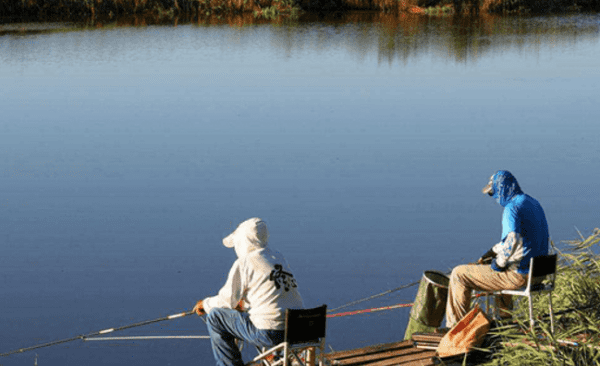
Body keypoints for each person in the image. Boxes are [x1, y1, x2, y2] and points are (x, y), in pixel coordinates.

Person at [193, 217, 304, 366]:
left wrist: (204, 304)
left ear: (243, 241)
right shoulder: (277, 257)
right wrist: (244, 305)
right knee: (259, 316)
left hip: (270, 333)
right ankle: (278, 356)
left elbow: (227, 301)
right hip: (299, 330)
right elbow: (270, 295)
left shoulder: (245, 262)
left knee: (215, 316)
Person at [445, 170, 549, 328]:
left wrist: (499, 263)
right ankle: (505, 323)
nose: (494, 198)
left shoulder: (511, 209)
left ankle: (454, 329)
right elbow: (521, 239)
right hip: (539, 273)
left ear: (502, 188)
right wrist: (492, 252)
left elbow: (512, 240)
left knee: (458, 274)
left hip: (520, 276)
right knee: (504, 269)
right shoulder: (532, 203)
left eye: (493, 193)